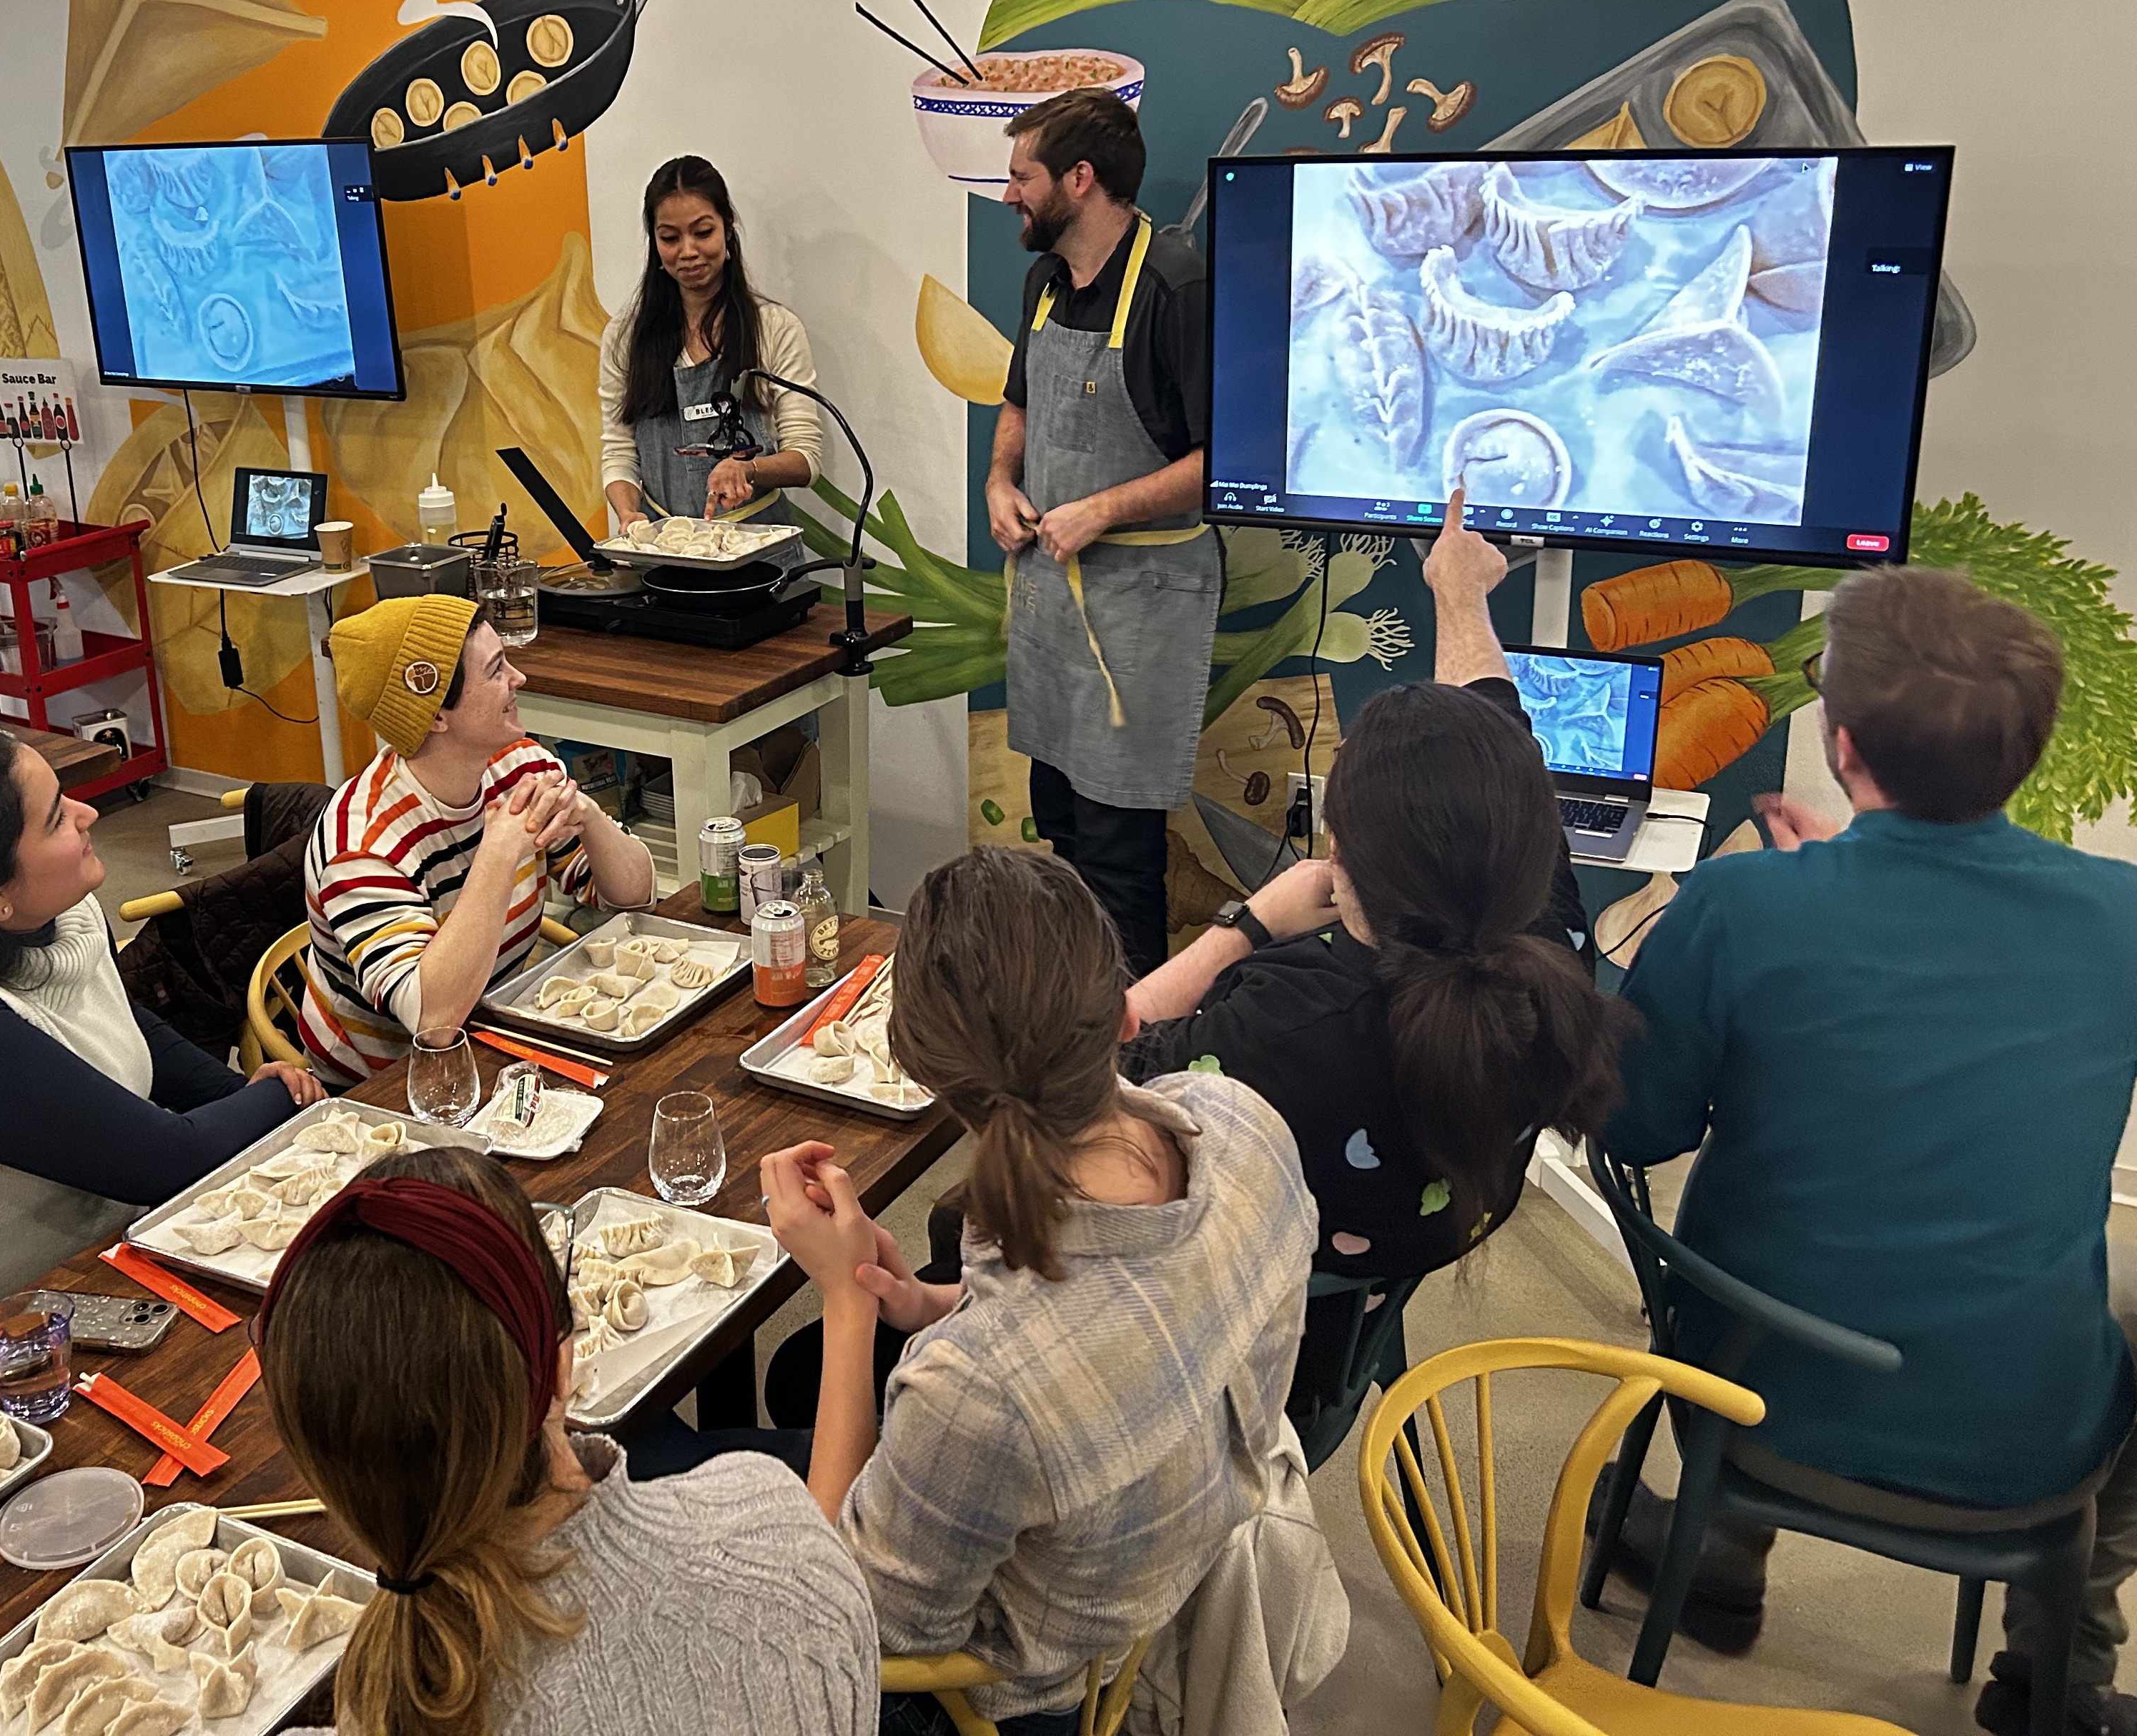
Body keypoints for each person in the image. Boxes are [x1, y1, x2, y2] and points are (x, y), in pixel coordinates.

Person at [1602, 565, 2137, 1732]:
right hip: (2029, 1436)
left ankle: (1716, 1561)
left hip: (1747, 1394)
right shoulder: (2123, 912)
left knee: (1769, 1248)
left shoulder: (1740, 903)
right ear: (2027, 749)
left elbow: (1637, 1126)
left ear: (1841, 747)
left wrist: (1780, 918)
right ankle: (2059, 1672)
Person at [763, 843, 1319, 1735]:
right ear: (1125, 1020)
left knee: (691, 1479)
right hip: (1149, 1557)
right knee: (798, 1386)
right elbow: (1108, 1319)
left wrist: (844, 1298)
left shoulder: (979, 1391)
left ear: (936, 1084)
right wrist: (930, 1306)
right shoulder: (1244, 1127)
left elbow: (853, 1621)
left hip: (1017, 1697)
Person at [1118, 493, 1633, 1420]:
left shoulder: (1285, 1023)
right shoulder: (1539, 936)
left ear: (1338, 857)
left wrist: (1243, 925)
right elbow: (1492, 725)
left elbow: (1099, 1061)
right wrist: (1458, 592)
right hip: (1407, 1245)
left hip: (1234, 1334)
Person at [258, 1143, 877, 1736]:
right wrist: (850, 1296)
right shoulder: (775, 1526)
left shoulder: (382, 1704)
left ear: (314, 1464)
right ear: (561, 1367)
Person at [0, 723, 324, 1348]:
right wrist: (280, 1098)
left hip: (88, 1268)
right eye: (55, 818)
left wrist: (233, 1091)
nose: (89, 812)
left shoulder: (59, 911)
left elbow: (122, 1021)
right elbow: (163, 1160)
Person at [983, 89, 1215, 974]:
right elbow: (1019, 401)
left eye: (1022, 177)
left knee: (1122, 862)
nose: (1010, 195)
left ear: (1080, 181)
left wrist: (1103, 508)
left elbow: (1217, 462)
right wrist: (1002, 480)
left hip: (1141, 609)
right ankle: (1078, 1045)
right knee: (1069, 837)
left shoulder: (1175, 288)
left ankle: (1136, 1064)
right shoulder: (1046, 282)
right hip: (1053, 604)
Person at [300, 596, 654, 1085]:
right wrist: (499, 851)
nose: (519, 679)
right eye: (496, 670)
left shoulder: (520, 764)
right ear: (436, 717)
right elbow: (434, 1022)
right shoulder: (361, 848)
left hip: (498, 1025)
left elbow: (633, 894)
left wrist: (588, 815)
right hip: (384, 1082)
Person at [598, 157, 824, 535]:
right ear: (655, 243)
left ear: (728, 230)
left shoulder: (773, 328)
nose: (687, 251)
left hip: (761, 553)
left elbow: (807, 459)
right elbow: (619, 453)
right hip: (668, 555)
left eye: (703, 232)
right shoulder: (626, 337)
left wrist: (748, 468)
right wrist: (628, 514)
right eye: (670, 238)